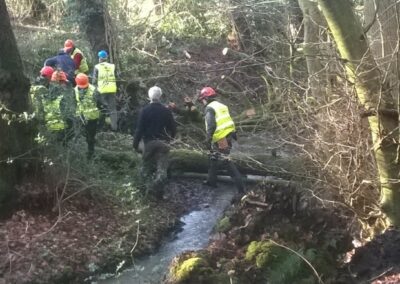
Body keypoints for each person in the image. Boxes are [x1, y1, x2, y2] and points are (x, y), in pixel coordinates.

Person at [198, 86, 244, 193]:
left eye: (203, 99)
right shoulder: (222, 106)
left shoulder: (209, 108)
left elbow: (211, 126)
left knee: (226, 162)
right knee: (213, 158)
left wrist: (208, 141)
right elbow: (228, 121)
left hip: (221, 138)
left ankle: (241, 189)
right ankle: (211, 181)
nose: (202, 102)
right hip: (228, 135)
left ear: (206, 98)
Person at [133, 86, 176, 198]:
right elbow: (173, 128)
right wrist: (170, 139)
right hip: (163, 143)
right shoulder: (166, 111)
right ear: (160, 96)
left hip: (149, 143)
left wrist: (135, 143)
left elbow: (139, 129)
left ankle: (142, 191)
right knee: (162, 170)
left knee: (145, 168)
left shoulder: (144, 111)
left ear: (149, 96)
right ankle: (158, 193)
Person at [74, 73, 100, 159]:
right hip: (79, 118)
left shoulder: (94, 90)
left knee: (90, 138)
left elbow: (100, 104)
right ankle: (77, 154)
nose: (83, 88)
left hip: (92, 118)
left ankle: (90, 154)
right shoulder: (74, 90)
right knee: (77, 136)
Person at [47, 70, 76, 144]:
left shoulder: (67, 87)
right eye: (62, 82)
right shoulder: (55, 91)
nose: (64, 84)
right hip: (57, 122)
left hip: (63, 120)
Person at [92, 50, 118, 131]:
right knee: (112, 110)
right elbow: (116, 77)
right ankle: (114, 128)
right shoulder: (112, 66)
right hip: (112, 90)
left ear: (100, 58)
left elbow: (94, 81)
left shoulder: (97, 67)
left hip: (102, 91)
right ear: (106, 58)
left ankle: (102, 128)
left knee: (102, 108)